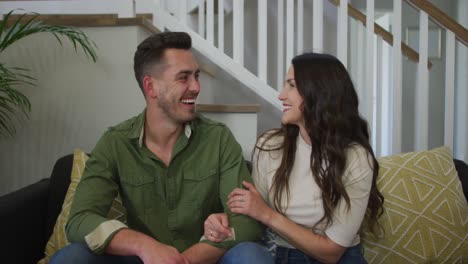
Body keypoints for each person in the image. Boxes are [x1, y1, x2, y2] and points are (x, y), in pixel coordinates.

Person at [49, 32, 265, 264]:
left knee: (251, 256)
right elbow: (79, 220)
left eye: (196, 76)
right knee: (70, 258)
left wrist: (183, 260)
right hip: (142, 259)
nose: (196, 87)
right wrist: (145, 246)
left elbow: (247, 223)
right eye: (184, 78)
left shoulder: (219, 139)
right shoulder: (115, 143)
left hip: (205, 258)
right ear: (151, 87)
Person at [203, 52, 384, 264]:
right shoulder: (270, 146)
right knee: (245, 255)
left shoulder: (356, 157)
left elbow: (332, 252)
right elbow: (254, 213)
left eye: (291, 85)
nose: (281, 95)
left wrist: (267, 215)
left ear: (319, 94)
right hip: (281, 254)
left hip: (339, 259)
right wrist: (223, 224)